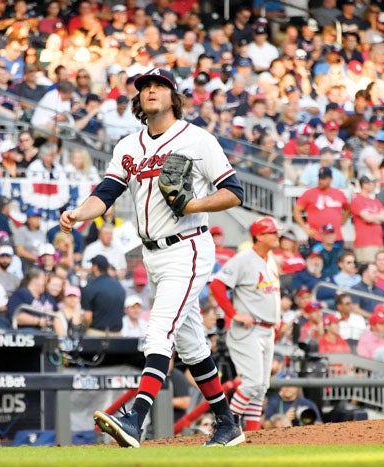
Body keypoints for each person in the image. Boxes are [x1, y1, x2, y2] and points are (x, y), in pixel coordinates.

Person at [60, 67, 246, 447]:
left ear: (173, 97)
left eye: (160, 85)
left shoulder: (197, 140)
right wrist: (80, 213)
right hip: (152, 255)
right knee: (192, 345)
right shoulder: (128, 146)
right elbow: (107, 192)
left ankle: (136, 419)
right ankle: (227, 425)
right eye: (145, 86)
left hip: (189, 246)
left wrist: (194, 203)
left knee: (158, 331)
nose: (151, 91)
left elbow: (234, 191)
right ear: (138, 98)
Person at [209, 216, 281, 432]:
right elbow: (217, 284)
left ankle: (252, 432)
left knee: (261, 387)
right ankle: (226, 426)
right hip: (247, 330)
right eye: (272, 232)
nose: (277, 235)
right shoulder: (244, 259)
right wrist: (233, 314)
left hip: (266, 329)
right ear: (258, 236)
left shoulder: (270, 259)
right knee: (251, 383)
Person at [292, 166, 350, 247]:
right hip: (317, 238)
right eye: (319, 178)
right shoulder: (309, 193)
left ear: (330, 179)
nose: (320, 181)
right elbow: (296, 210)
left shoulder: (339, 193)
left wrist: (343, 220)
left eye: (323, 179)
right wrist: (305, 228)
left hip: (336, 237)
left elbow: (348, 208)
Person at [81, 255, 125, 336]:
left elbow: (88, 318)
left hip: (96, 335)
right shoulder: (119, 286)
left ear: (95, 267)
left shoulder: (91, 288)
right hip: (118, 336)